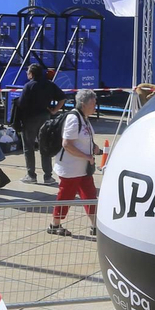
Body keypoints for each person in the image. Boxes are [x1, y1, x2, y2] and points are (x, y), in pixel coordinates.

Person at [50, 88, 99, 236]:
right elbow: (67, 144)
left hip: (83, 168)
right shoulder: (74, 118)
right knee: (66, 196)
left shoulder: (84, 117)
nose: (95, 107)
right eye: (93, 104)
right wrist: (86, 156)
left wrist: (94, 148)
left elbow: (84, 139)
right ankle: (54, 225)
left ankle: (95, 225)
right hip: (71, 168)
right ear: (83, 104)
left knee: (90, 195)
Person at [14, 64, 64, 186]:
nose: (27, 74)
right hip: (45, 117)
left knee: (28, 147)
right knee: (45, 146)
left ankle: (31, 175)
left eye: (28, 72)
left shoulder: (28, 86)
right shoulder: (49, 84)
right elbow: (62, 98)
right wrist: (54, 110)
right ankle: (48, 176)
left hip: (30, 118)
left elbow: (21, 104)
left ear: (32, 74)